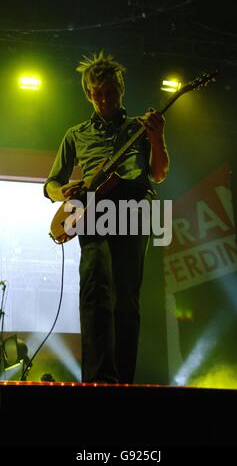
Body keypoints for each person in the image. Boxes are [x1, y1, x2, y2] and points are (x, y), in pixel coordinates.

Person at [44, 51, 169, 384]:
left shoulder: (139, 128)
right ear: (88, 94)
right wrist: (64, 191)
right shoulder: (76, 134)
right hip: (93, 211)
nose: (104, 100)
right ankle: (99, 380)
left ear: (121, 89)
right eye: (97, 94)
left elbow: (158, 174)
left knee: (126, 296)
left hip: (133, 208)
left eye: (110, 92)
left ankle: (122, 381)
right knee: (95, 289)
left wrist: (157, 137)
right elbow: (51, 184)